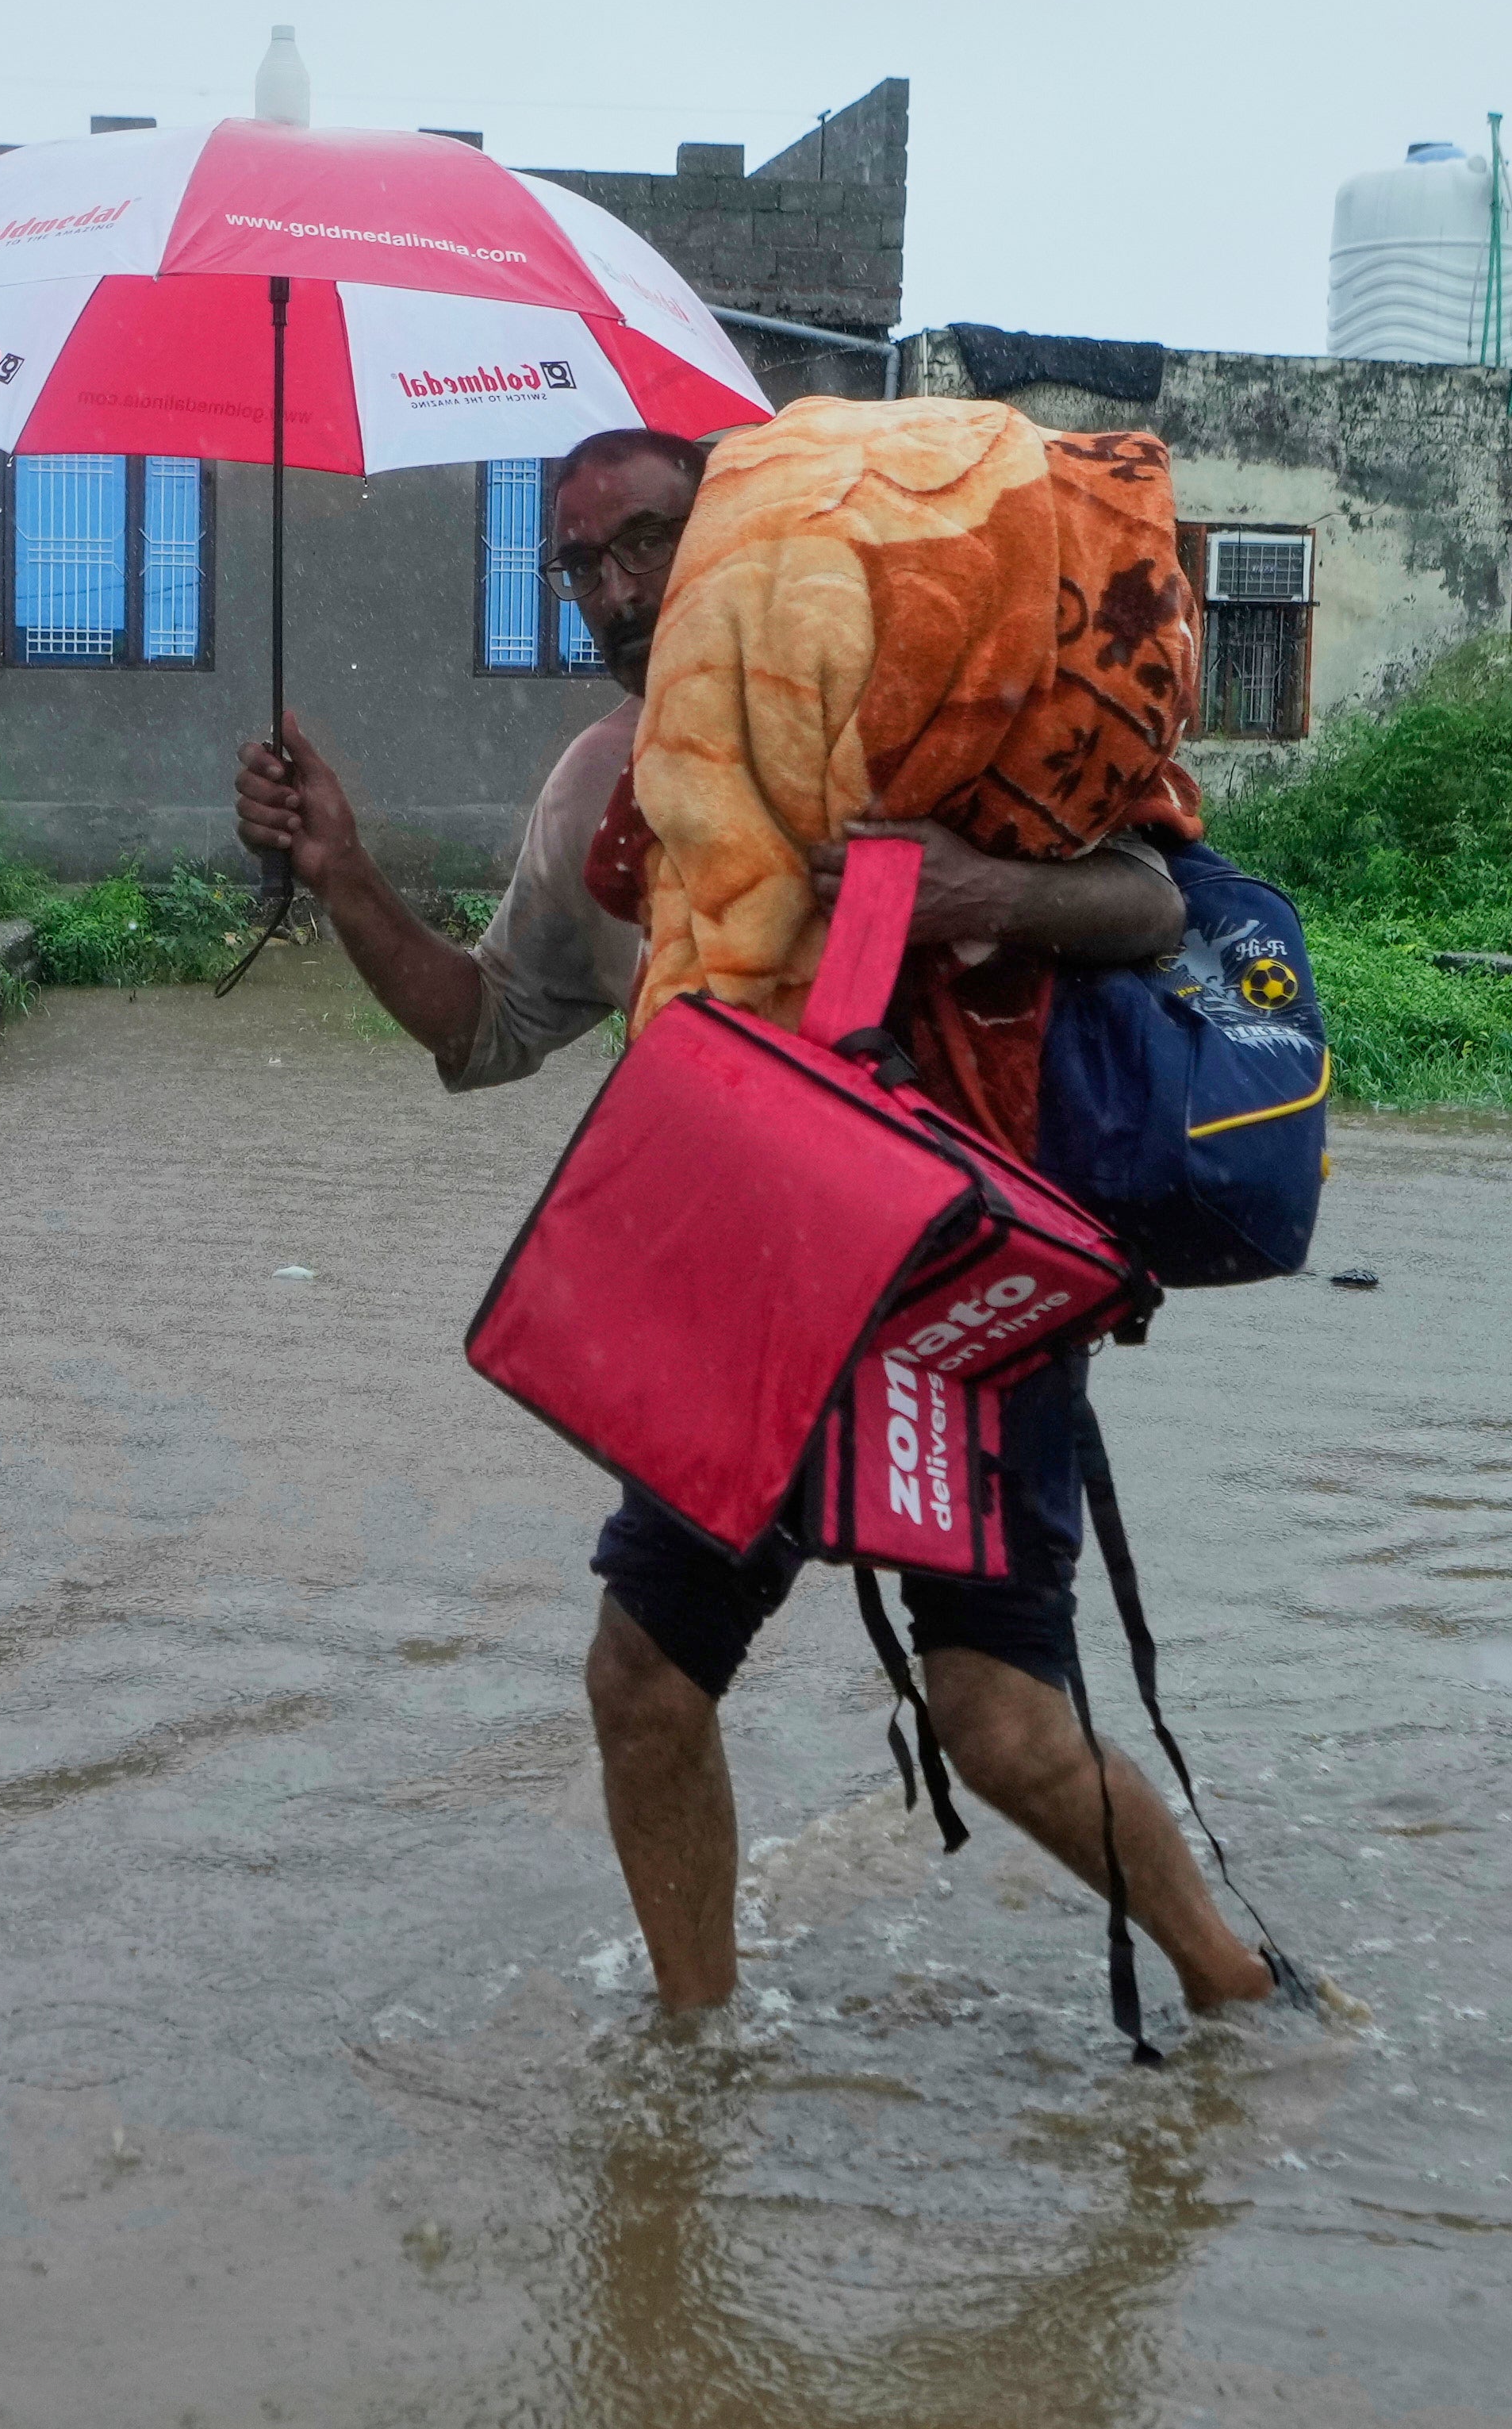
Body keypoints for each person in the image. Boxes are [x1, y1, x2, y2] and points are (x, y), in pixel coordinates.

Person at [233, 425, 1286, 2018]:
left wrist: (978, 891)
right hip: (756, 1280)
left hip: (959, 1280)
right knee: (643, 1679)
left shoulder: (902, 721)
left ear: (727, 528)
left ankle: (1240, 1990)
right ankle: (695, 2057)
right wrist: (343, 874)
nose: (615, 588)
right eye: (579, 565)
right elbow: (486, 1026)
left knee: (997, 1720)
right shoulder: (607, 794)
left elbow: (1151, 904)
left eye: (644, 541)